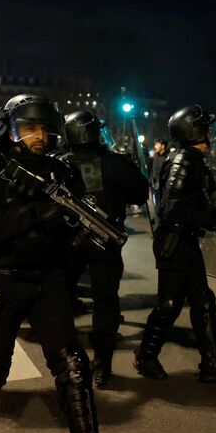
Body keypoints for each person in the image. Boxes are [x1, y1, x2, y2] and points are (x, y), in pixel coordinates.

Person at [0, 94, 118, 433]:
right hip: (6, 278)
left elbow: (72, 230)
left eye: (45, 128)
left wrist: (80, 242)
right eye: (29, 128)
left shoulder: (62, 171)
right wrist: (33, 214)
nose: (39, 136)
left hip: (49, 280)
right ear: (10, 128)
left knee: (73, 367)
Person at [134, 104, 216, 385]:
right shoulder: (183, 160)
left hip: (186, 241)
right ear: (194, 132)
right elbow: (175, 209)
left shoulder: (193, 159)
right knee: (170, 304)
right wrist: (211, 217)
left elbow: (201, 196)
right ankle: (146, 357)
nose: (211, 134)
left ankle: (211, 363)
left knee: (204, 300)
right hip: (175, 242)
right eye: (206, 129)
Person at [63, 110, 148, 387]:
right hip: (104, 241)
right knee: (106, 300)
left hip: (67, 241)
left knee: (61, 299)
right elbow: (140, 194)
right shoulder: (114, 163)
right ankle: (102, 364)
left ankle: (66, 360)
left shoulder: (59, 163)